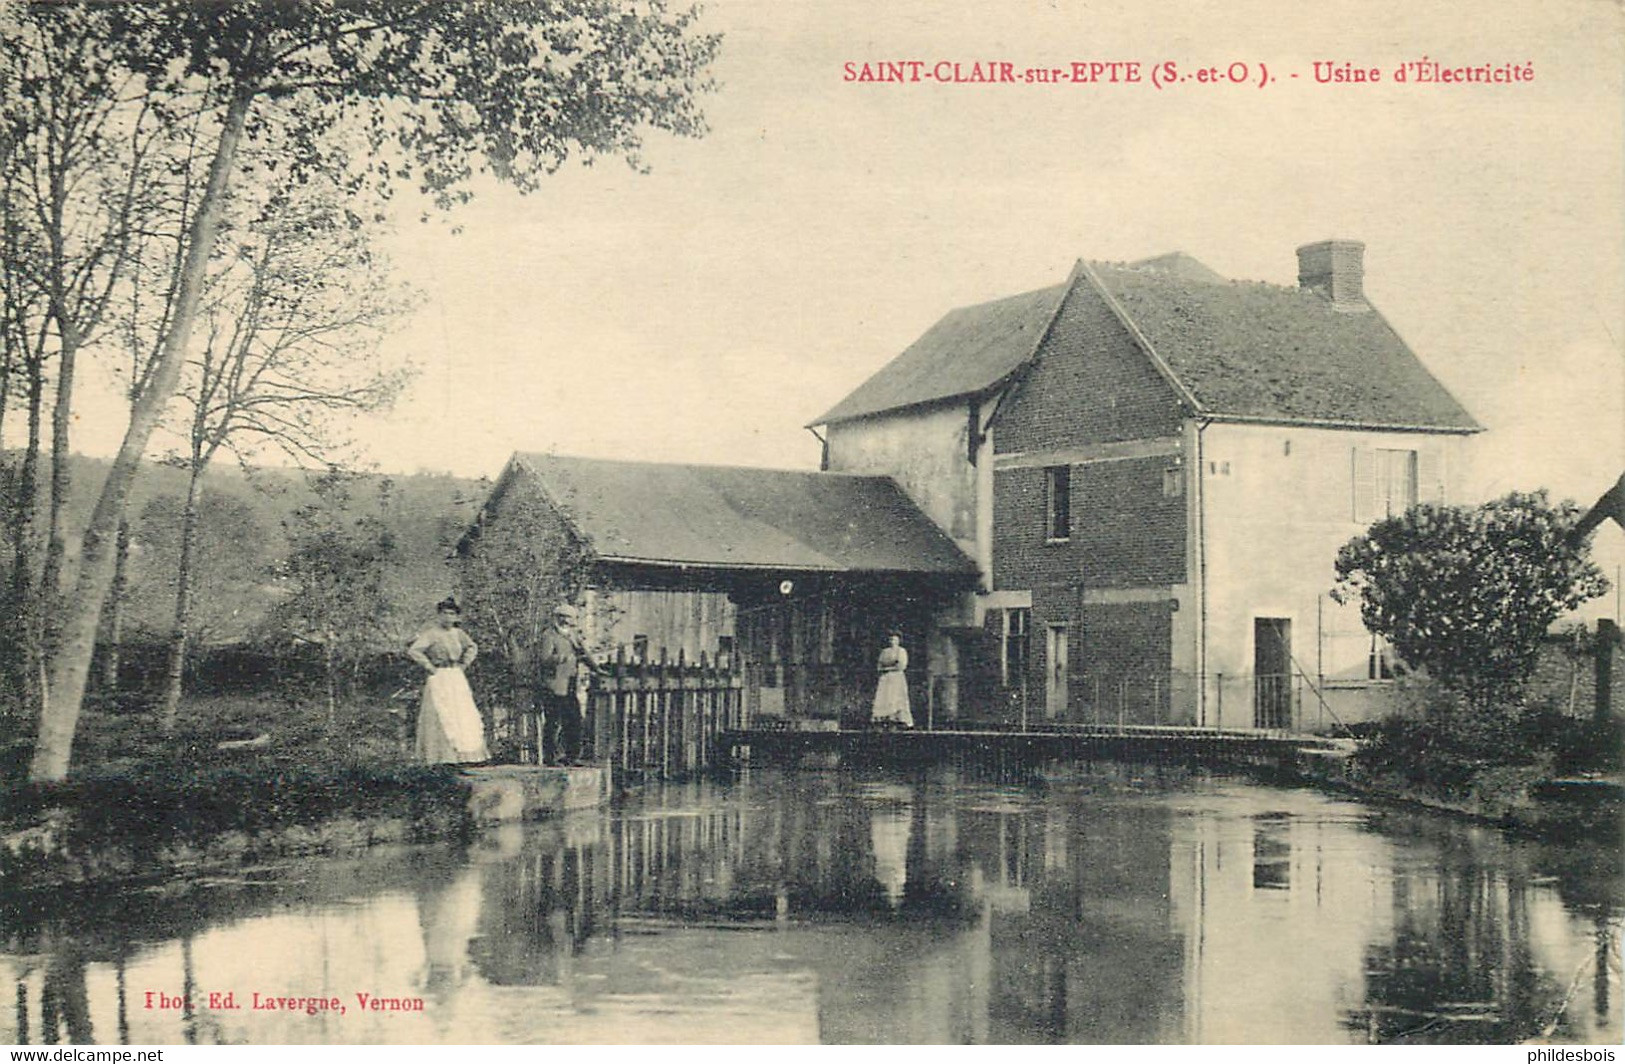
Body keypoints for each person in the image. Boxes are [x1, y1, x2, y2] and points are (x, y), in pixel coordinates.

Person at [406, 597, 489, 764]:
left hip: (456, 675)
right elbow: (414, 651)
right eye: (445, 613)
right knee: (442, 713)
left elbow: (472, 647)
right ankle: (442, 757)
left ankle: (463, 756)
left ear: (457, 617)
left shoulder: (459, 633)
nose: (448, 618)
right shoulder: (431, 633)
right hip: (439, 676)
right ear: (438, 615)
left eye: (452, 614)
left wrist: (464, 663)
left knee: (461, 713)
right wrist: (429, 666)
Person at [535, 603, 598, 765]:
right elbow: (543, 660)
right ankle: (551, 758)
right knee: (553, 722)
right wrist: (562, 658)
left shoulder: (573, 635)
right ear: (560, 618)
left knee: (574, 721)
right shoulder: (549, 636)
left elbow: (584, 654)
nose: (571, 621)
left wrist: (596, 668)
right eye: (568, 618)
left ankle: (572, 756)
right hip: (553, 686)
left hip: (570, 685)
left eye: (572, 618)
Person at [871, 630, 913, 728]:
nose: (892, 641)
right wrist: (888, 667)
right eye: (890, 639)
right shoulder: (884, 652)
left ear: (898, 641)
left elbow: (901, 666)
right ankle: (884, 719)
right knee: (885, 697)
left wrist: (887, 668)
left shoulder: (901, 651)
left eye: (894, 639)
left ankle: (898, 719)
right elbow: (879, 666)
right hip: (885, 678)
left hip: (897, 678)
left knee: (896, 698)